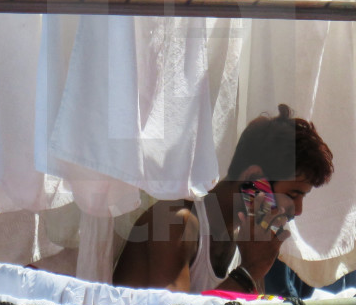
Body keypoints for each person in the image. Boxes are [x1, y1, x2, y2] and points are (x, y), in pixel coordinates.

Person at [113, 105, 333, 294]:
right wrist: (248, 273)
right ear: (254, 178)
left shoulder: (245, 241)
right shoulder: (175, 222)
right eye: (293, 195)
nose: (298, 210)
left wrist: (251, 270)